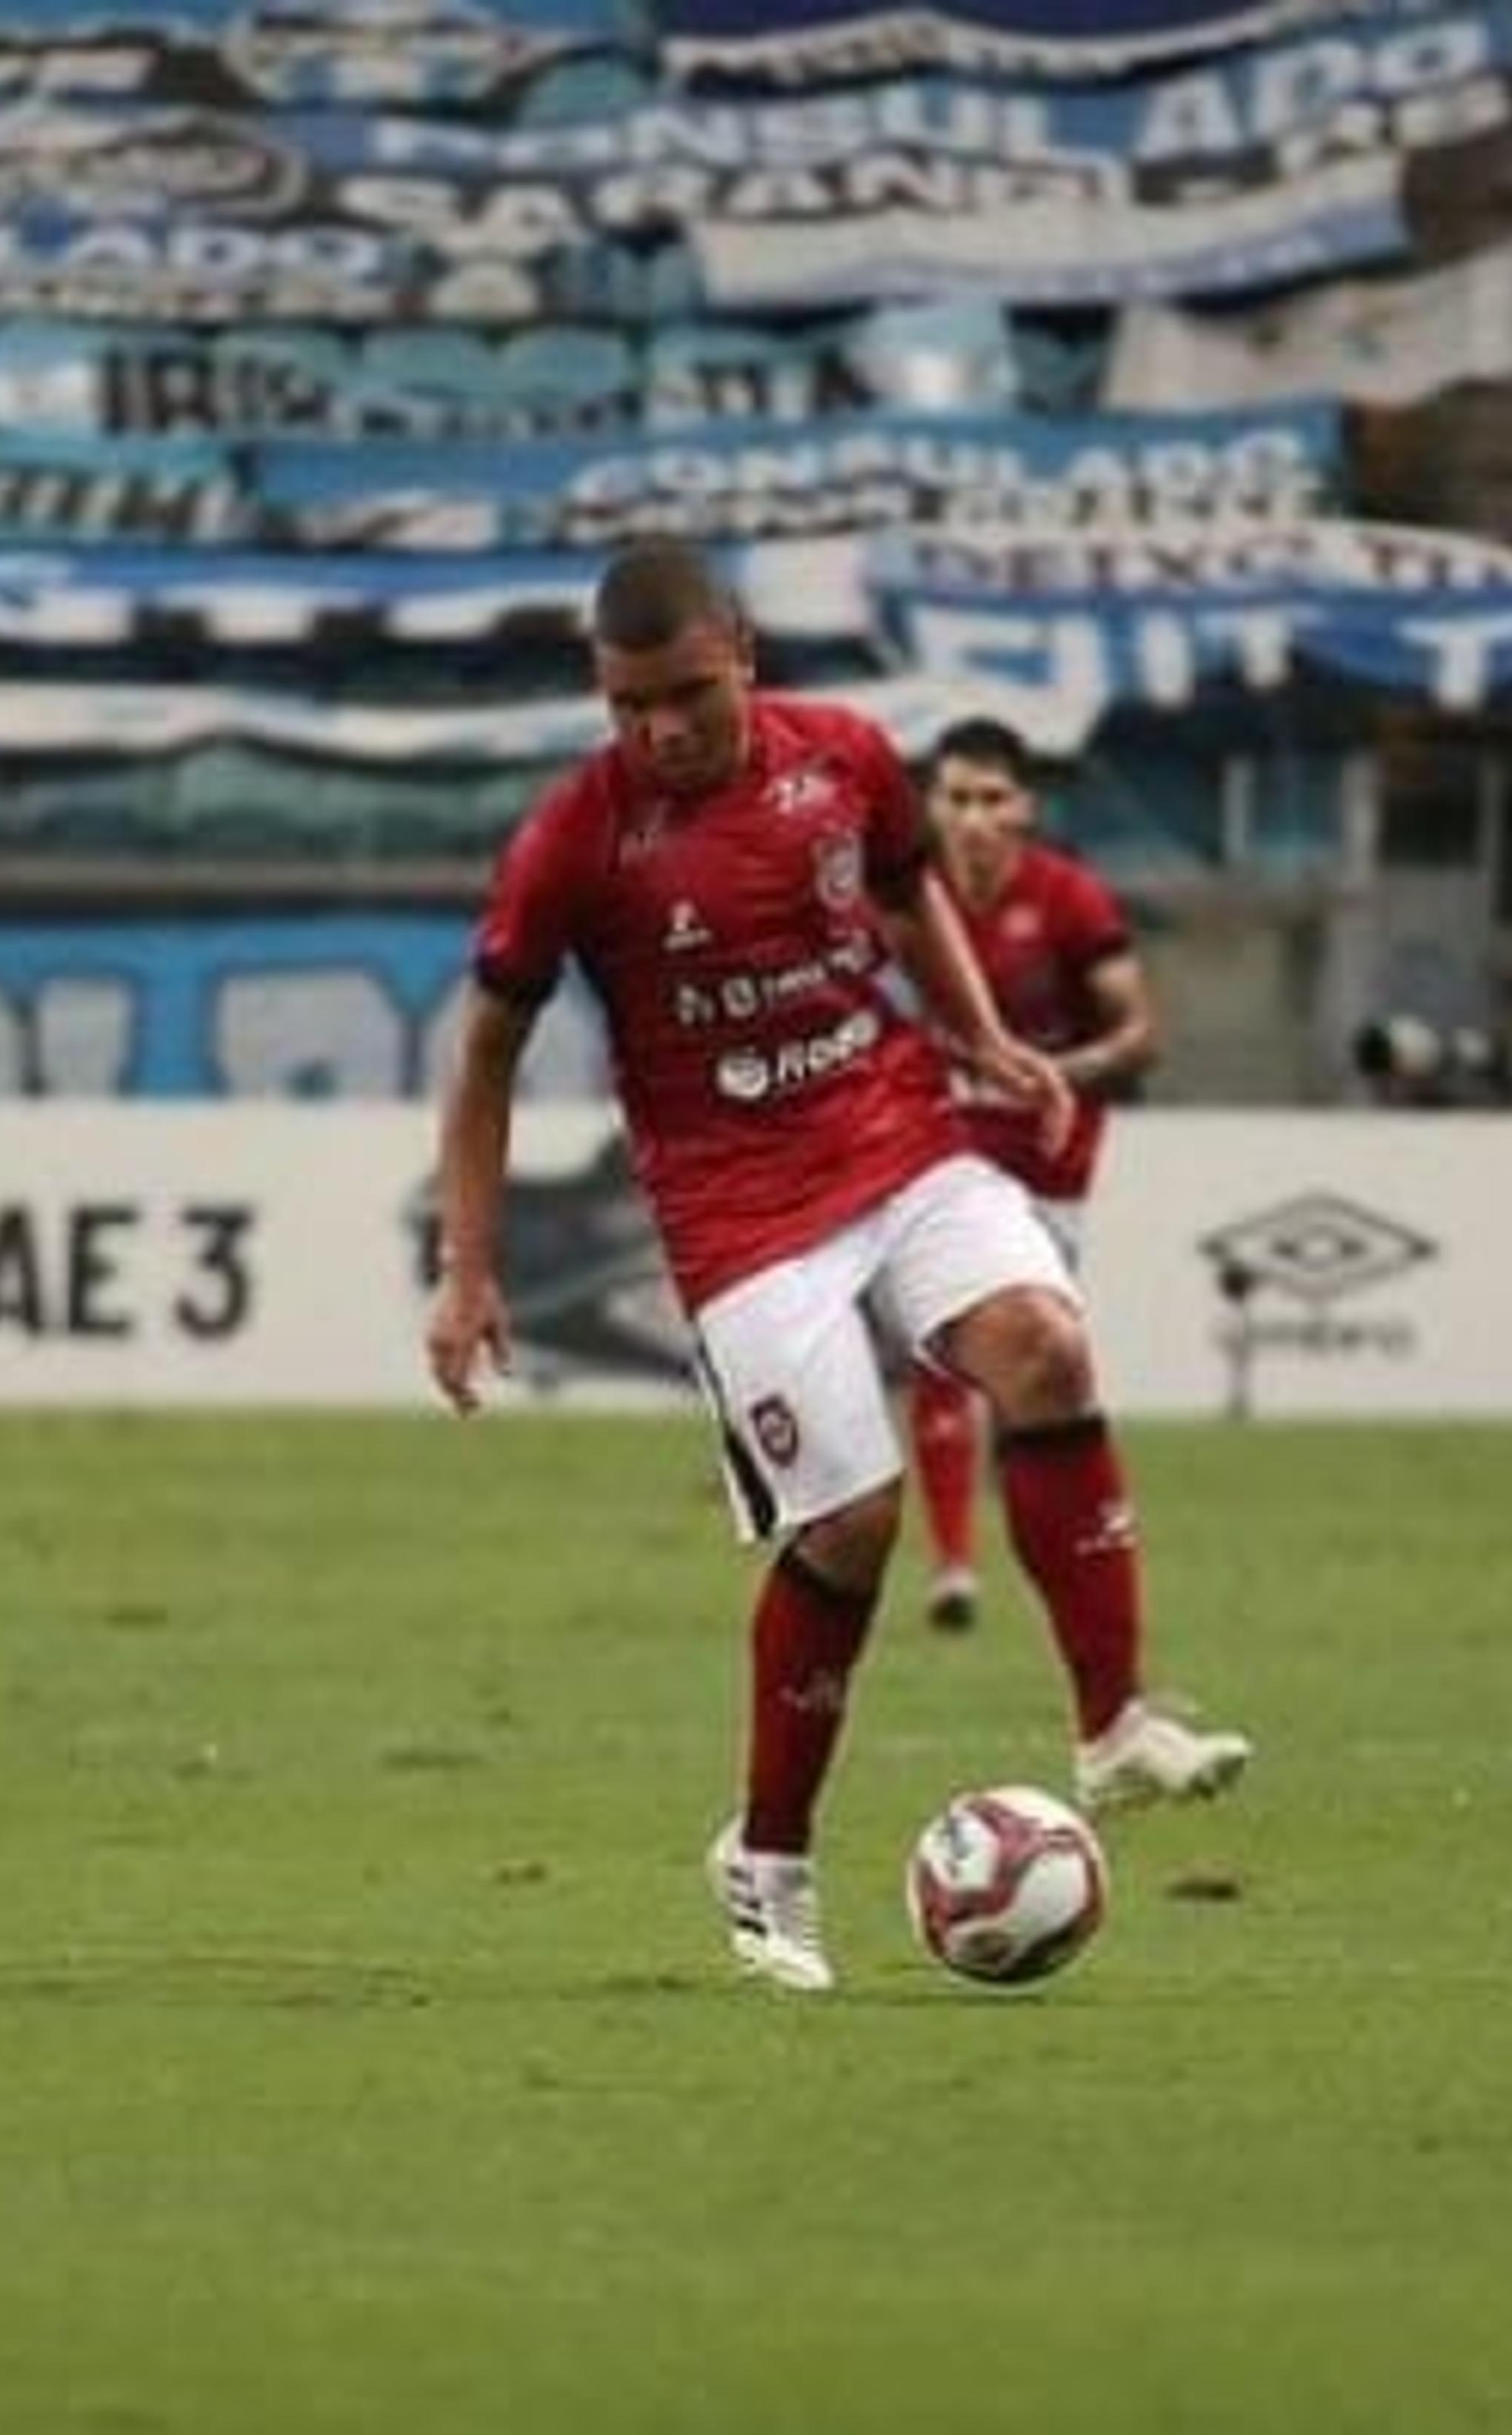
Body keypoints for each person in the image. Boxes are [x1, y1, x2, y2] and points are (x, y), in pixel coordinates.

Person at [422, 537, 1248, 1994]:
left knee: (1045, 1343)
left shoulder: (848, 756)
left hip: (896, 1131)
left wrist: (984, 1035)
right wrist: (466, 1265)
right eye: (625, 706)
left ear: (741, 649)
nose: (657, 731)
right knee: (856, 1519)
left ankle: (1114, 1721)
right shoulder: (575, 841)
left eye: (681, 694)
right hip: (739, 1214)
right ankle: (771, 1852)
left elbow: (911, 888)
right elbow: (486, 1045)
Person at [907, 717, 1159, 1635]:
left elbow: (1141, 1034)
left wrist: (1060, 1073)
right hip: (944, 1160)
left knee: (1035, 1378)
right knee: (938, 1352)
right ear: (931, 808)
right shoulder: (907, 900)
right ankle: (952, 1566)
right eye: (957, 798)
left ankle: (1051, 1549)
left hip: (1052, 1171)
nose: (974, 820)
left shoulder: (1069, 901)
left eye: (993, 799)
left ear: (1026, 808)